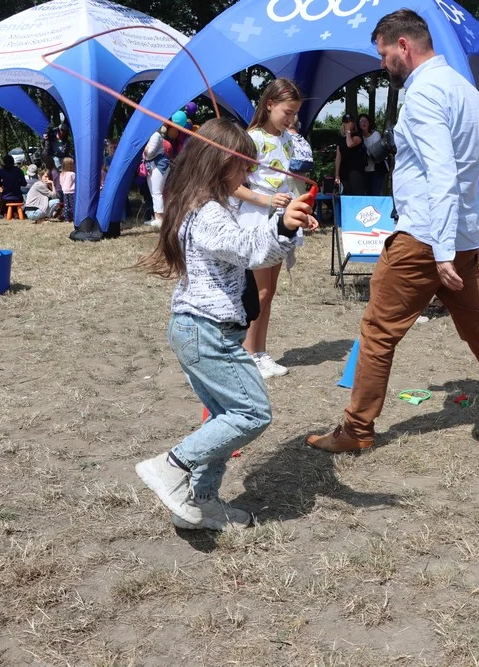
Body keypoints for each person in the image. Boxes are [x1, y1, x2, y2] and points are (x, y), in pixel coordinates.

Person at [305, 9, 479, 455]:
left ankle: (356, 431)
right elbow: (472, 167)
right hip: (461, 236)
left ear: (404, 46)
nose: (382, 63)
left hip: (426, 237)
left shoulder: (424, 93)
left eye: (383, 53)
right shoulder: (466, 91)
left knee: (377, 332)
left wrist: (439, 251)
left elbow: (441, 174)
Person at [133, 119, 317, 531]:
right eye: (242, 167)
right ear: (218, 165)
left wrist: (282, 215)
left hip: (200, 329)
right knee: (252, 412)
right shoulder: (208, 213)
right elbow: (248, 249)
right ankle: (170, 466)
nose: (248, 175)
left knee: (224, 417)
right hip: (207, 331)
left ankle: (200, 505)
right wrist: (284, 225)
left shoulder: (205, 204)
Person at [233, 78, 302, 379]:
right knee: (259, 292)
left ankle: (260, 352)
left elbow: (289, 183)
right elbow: (233, 185)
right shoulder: (252, 139)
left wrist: (299, 211)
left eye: (295, 113)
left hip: (279, 222)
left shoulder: (287, 139)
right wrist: (267, 199)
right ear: (269, 104)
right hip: (257, 222)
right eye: (287, 112)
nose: (291, 119)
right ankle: (249, 355)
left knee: (269, 290)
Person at [143, 125, 171, 227]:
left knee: (157, 192)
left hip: (158, 166)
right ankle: (157, 217)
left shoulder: (155, 135)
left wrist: (144, 148)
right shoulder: (152, 135)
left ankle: (160, 219)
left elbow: (150, 153)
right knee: (154, 193)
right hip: (152, 166)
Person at [336, 113, 368, 195]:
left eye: (350, 122)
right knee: (345, 193)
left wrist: (348, 131)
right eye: (346, 122)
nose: (348, 124)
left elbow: (349, 144)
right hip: (344, 171)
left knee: (357, 193)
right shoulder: (340, 138)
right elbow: (338, 157)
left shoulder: (357, 135)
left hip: (356, 170)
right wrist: (337, 174)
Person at [359, 113, 388, 196]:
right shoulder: (358, 137)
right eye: (361, 121)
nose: (363, 123)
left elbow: (376, 152)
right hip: (365, 170)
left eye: (365, 121)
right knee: (367, 193)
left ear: (369, 123)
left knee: (376, 193)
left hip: (378, 169)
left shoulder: (376, 135)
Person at [59, 157, 76, 223]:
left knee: (66, 205)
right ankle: (73, 217)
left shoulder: (62, 174)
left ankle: (67, 218)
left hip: (65, 191)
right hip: (72, 191)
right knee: (72, 205)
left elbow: (61, 183)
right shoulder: (72, 174)